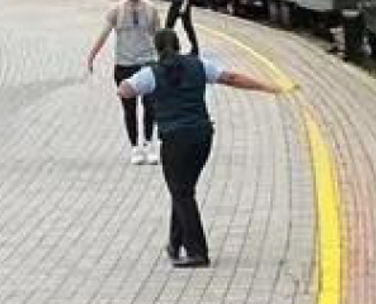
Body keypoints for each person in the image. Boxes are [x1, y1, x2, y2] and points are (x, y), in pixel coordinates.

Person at [118, 28, 289, 268]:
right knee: (183, 189)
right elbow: (231, 78)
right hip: (202, 137)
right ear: (178, 45)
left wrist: (133, 83)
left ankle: (197, 252)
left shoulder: (150, 74)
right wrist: (266, 87)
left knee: (182, 192)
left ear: (156, 49)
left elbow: (125, 89)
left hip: (175, 140)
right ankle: (174, 243)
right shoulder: (199, 65)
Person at [86, 0, 163, 163]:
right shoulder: (116, 11)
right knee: (129, 108)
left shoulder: (151, 10)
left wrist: (164, 59)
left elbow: (159, 36)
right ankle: (135, 147)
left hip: (147, 62)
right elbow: (103, 34)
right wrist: (92, 56)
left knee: (150, 105)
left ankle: (149, 142)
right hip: (124, 64)